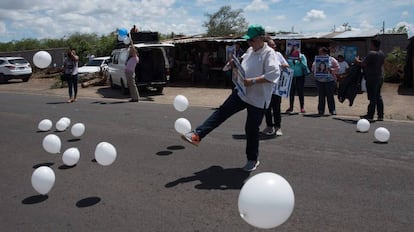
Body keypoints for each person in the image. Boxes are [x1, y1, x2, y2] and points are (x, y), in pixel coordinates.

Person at [182, 25, 280, 172]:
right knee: (222, 112)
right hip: (242, 92)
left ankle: (252, 160)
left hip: (258, 99)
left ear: (261, 38)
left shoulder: (269, 53)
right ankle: (197, 135)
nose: (249, 43)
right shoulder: (250, 51)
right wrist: (233, 64)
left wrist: (252, 81)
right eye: (248, 41)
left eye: (252, 40)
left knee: (251, 129)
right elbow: (242, 64)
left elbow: (273, 75)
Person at [262, 38, 289, 136]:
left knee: (276, 107)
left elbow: (286, 65)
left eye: (274, 45)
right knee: (267, 107)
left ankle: (278, 127)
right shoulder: (263, 55)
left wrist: (281, 65)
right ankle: (269, 126)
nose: (275, 46)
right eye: (272, 45)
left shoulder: (278, 55)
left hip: (277, 86)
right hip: (266, 86)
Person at [355, 39, 385, 121]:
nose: (370, 45)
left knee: (372, 97)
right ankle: (380, 115)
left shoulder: (371, 53)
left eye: (371, 44)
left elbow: (363, 63)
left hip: (372, 78)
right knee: (378, 96)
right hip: (379, 76)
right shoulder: (381, 53)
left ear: (373, 44)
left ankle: (370, 115)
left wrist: (357, 60)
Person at [312, 47, 339, 115]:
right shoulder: (317, 59)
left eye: (320, 52)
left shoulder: (332, 59)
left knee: (330, 96)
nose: (319, 53)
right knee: (321, 96)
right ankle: (321, 110)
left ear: (324, 52)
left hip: (329, 81)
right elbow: (313, 68)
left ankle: (332, 110)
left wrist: (331, 70)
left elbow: (338, 68)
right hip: (319, 81)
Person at [286, 50, 309, 114]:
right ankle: (291, 107)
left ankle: (302, 107)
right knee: (291, 92)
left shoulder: (302, 56)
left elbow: (305, 66)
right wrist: (286, 59)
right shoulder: (289, 56)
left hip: (300, 76)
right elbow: (286, 65)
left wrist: (300, 61)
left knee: (300, 92)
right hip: (291, 76)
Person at [125, 38, 140, 102]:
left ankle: (136, 98)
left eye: (132, 51)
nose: (131, 52)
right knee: (131, 85)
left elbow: (133, 50)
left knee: (132, 85)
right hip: (128, 72)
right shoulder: (132, 58)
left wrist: (131, 43)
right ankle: (133, 97)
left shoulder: (135, 58)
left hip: (130, 73)